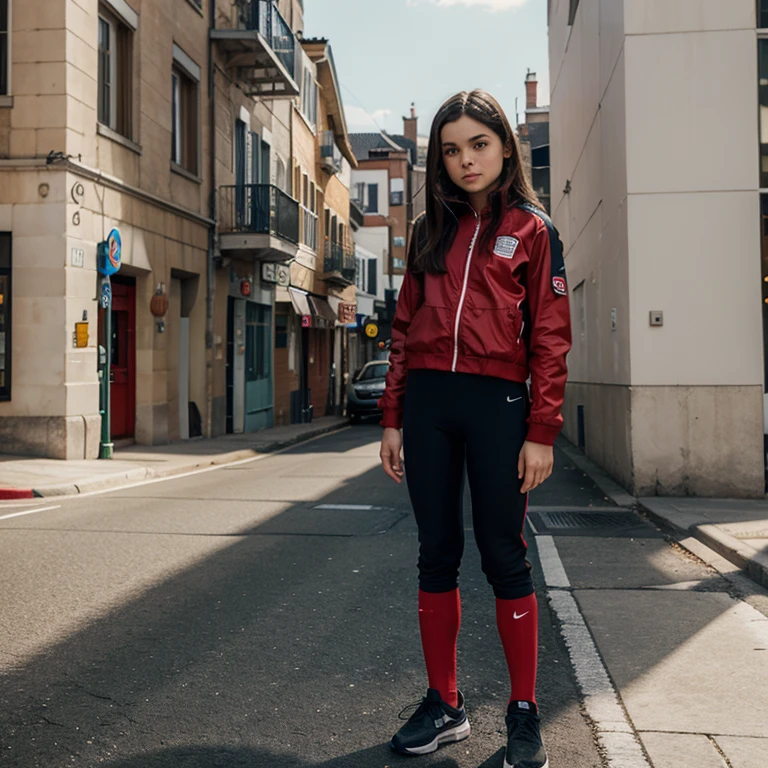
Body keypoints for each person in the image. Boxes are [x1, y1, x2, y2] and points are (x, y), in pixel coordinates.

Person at [377, 90, 572, 768]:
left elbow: (550, 336)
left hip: (499, 405)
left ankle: (523, 710)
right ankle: (445, 703)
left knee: (502, 553)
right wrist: (394, 417)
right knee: (436, 552)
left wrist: (542, 428)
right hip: (429, 401)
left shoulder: (535, 229)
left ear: (505, 147)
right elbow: (403, 329)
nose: (465, 160)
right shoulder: (429, 230)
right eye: (451, 149)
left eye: (478, 145)